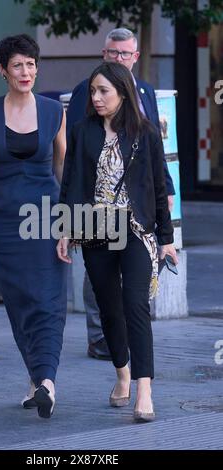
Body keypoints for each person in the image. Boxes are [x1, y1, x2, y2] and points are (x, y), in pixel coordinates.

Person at [57, 62, 177, 422]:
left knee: (135, 304)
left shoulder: (146, 133)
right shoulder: (81, 132)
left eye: (103, 91)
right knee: (108, 308)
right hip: (96, 229)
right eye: (93, 91)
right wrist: (65, 228)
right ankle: (122, 374)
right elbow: (71, 182)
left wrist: (167, 239)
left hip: (137, 231)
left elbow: (158, 187)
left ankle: (144, 388)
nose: (96, 98)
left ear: (123, 93)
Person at [0, 34, 67, 419]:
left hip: (45, 218)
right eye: (19, 65)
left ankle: (47, 383)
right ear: (3, 70)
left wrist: (70, 219)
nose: (27, 72)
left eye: (32, 64)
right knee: (20, 302)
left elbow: (62, 169)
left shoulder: (55, 111)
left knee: (48, 300)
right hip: (3, 220)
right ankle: (37, 380)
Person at [66, 27, 175, 361]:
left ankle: (131, 359)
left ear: (135, 57)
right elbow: (76, 156)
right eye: (112, 53)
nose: (117, 59)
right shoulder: (85, 91)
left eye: (124, 54)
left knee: (134, 291)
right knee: (100, 280)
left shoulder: (144, 90)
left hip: (135, 210)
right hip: (97, 213)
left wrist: (166, 189)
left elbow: (153, 149)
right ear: (103, 53)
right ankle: (99, 336)